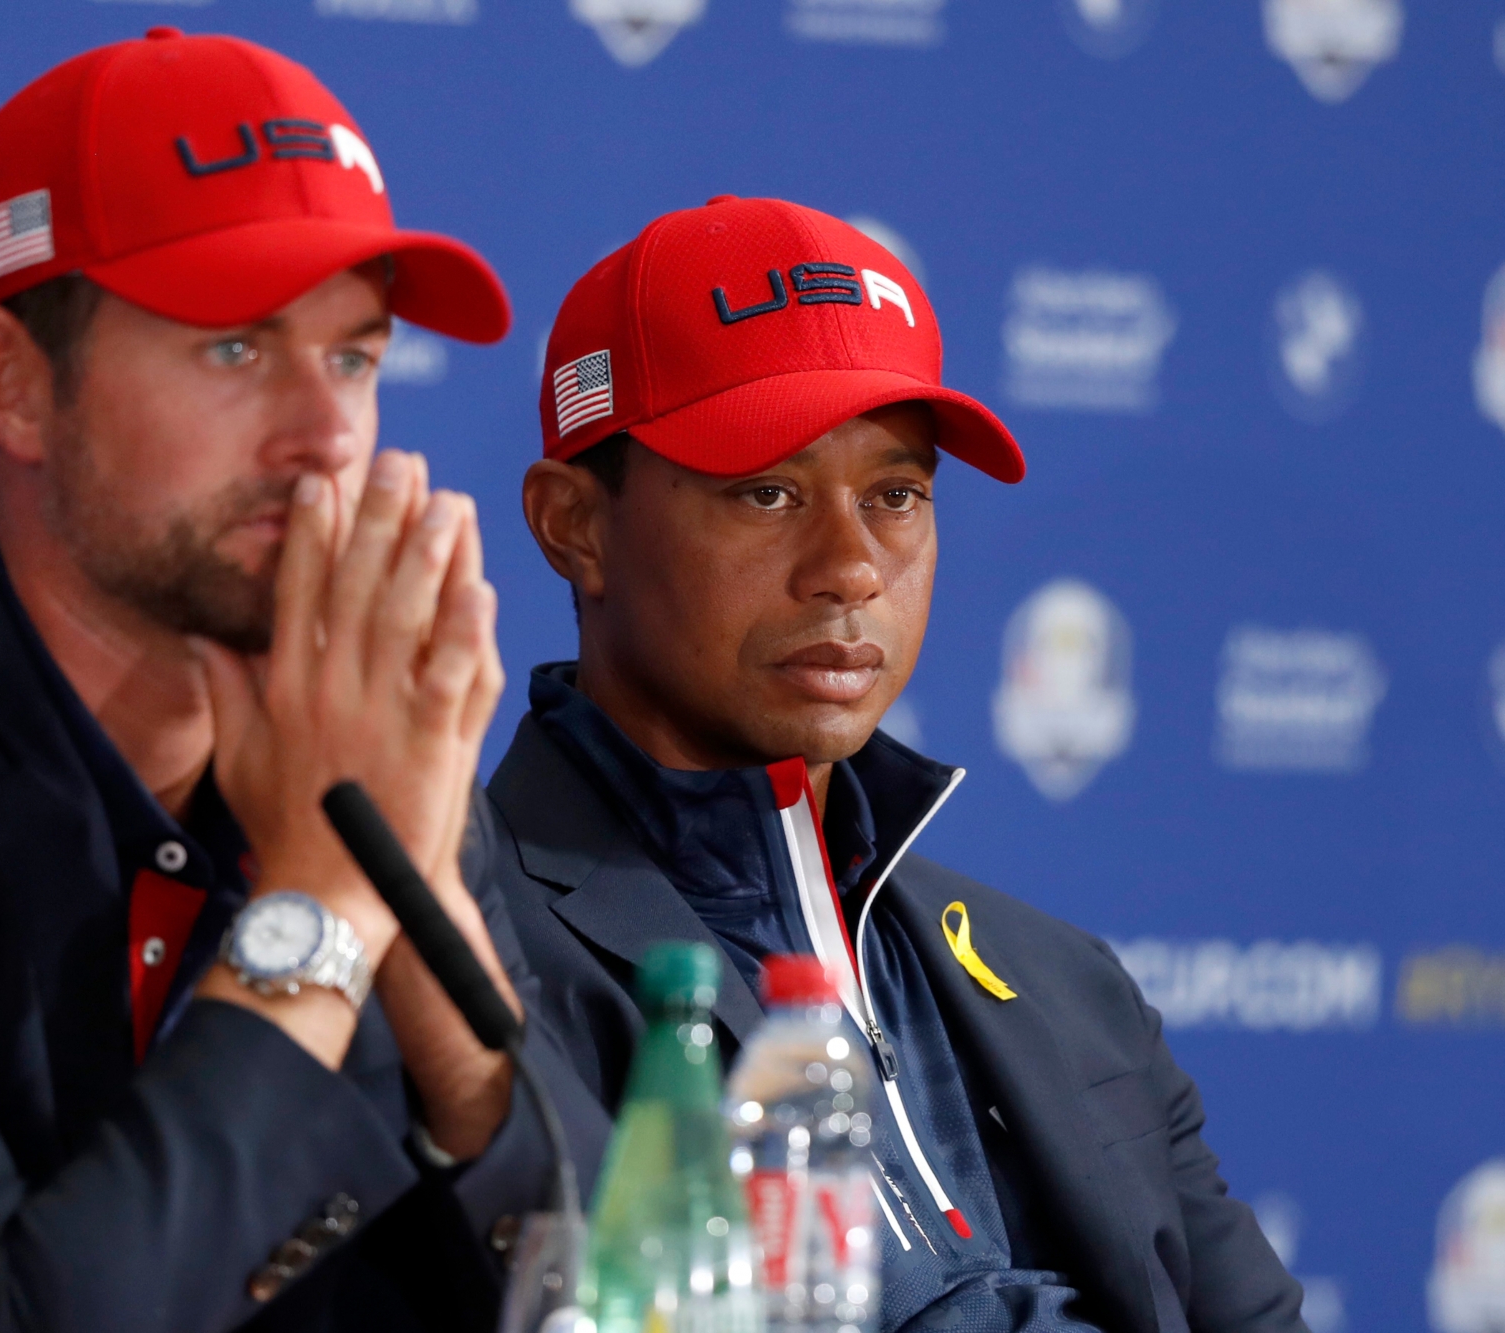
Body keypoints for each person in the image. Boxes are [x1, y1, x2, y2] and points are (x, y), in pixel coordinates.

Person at [0, 28, 600, 1332]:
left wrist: (413, 882)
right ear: (13, 387)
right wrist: (323, 905)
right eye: (236, 349)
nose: (327, 435)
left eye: (355, 358)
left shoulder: (368, 742)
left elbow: (637, 1297)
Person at [488, 196, 1308, 1333]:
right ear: (573, 523)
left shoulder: (1067, 982)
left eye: (895, 496)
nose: (850, 568)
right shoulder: (457, 951)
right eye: (766, 491)